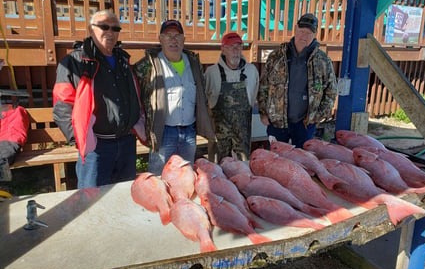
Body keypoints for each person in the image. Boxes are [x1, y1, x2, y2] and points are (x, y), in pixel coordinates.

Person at [53, 9, 146, 189]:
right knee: (91, 202)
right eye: (104, 27)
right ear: (90, 29)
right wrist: (82, 140)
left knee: (124, 197)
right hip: (97, 147)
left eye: (115, 29)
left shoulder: (123, 60)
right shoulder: (74, 62)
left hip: (126, 143)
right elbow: (62, 107)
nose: (110, 33)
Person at [134, 19, 215, 175]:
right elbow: (136, 97)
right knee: (159, 179)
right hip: (163, 133)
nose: (173, 40)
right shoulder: (147, 66)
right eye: (168, 35)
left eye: (177, 35)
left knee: (186, 177)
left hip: (189, 132)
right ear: (160, 39)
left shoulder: (193, 63)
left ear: (183, 40)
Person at [257, 13, 337, 148]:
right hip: (277, 122)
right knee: (276, 161)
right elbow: (264, 86)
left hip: (304, 125)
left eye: (309, 33)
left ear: (315, 34)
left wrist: (318, 116)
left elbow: (331, 91)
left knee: (302, 163)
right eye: (301, 31)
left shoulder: (323, 61)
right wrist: (263, 113)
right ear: (295, 29)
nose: (304, 36)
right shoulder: (276, 57)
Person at [205, 32, 259, 162]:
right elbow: (204, 101)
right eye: (230, 47)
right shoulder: (211, 73)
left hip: (242, 142)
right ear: (223, 50)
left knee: (242, 172)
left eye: (238, 46)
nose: (235, 51)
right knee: (217, 174)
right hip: (218, 140)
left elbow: (254, 98)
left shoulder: (252, 71)